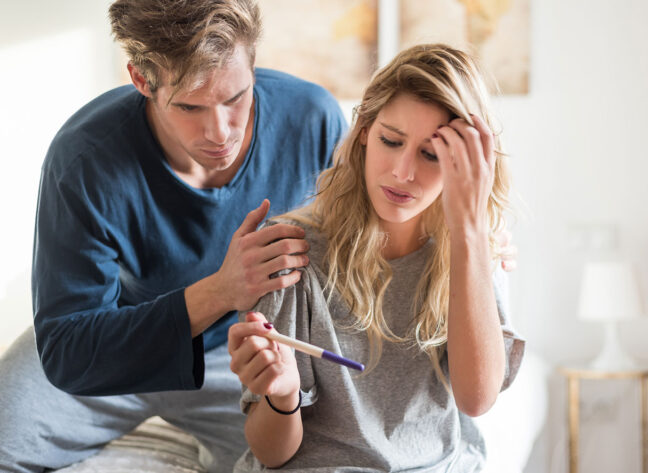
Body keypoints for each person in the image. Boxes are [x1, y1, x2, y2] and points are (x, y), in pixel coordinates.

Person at [0, 1, 347, 472]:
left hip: (247, 354)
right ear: (142, 81)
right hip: (121, 340)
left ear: (253, 64)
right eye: (189, 106)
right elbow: (66, 350)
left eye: (236, 97)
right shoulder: (83, 157)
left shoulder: (313, 119)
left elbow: (350, 277)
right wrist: (222, 289)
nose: (220, 131)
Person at [228, 44, 525, 472]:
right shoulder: (292, 252)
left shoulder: (478, 248)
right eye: (391, 140)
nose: (403, 172)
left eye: (430, 154)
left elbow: (477, 399)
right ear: (364, 130)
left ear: (466, 164)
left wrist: (470, 235)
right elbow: (272, 452)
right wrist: (283, 395)